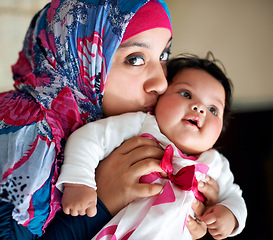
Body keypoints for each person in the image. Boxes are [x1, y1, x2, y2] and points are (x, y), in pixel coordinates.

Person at [0, 0, 219, 239]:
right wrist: (103, 203)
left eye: (164, 55)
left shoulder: (131, 126)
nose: (162, 83)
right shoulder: (22, 129)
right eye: (135, 59)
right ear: (80, 56)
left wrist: (184, 216)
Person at [57, 54, 247, 239]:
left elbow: (234, 197)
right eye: (186, 94)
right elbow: (90, 137)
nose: (199, 108)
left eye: (213, 109)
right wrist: (79, 182)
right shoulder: (142, 125)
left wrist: (230, 216)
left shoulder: (215, 164)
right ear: (159, 99)